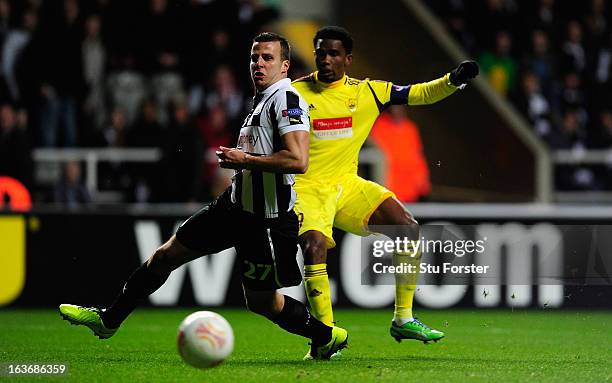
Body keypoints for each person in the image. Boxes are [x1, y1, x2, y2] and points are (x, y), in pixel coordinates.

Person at [59, 32, 348, 360]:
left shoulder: (287, 99)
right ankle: (108, 320)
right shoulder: (261, 101)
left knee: (263, 303)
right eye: (255, 57)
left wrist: (244, 160)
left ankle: (327, 336)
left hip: (265, 221)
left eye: (267, 58)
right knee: (165, 255)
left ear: (284, 66)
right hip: (234, 206)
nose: (258, 64)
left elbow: (299, 161)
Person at [292, 26, 478, 356]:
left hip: (346, 185)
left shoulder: (368, 92)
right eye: (320, 52)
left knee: (406, 227)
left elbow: (419, 93)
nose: (326, 59)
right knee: (314, 246)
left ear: (348, 59)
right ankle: (324, 339)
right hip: (306, 188)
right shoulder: (294, 93)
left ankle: (403, 318)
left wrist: (453, 81)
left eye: (334, 53)